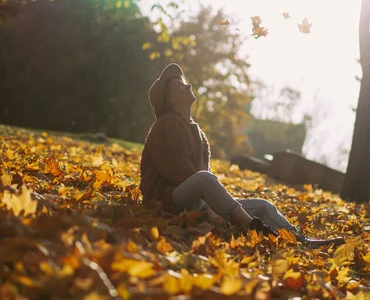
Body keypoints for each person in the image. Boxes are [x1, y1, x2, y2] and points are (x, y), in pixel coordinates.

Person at [139, 63, 345, 249]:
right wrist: (211, 207)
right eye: (179, 85)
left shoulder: (196, 131)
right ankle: (249, 225)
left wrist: (214, 205)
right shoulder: (166, 124)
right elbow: (180, 173)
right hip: (166, 200)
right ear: (168, 99)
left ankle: (300, 241)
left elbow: (202, 175)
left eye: (185, 83)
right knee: (205, 179)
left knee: (264, 206)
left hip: (195, 201)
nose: (188, 86)